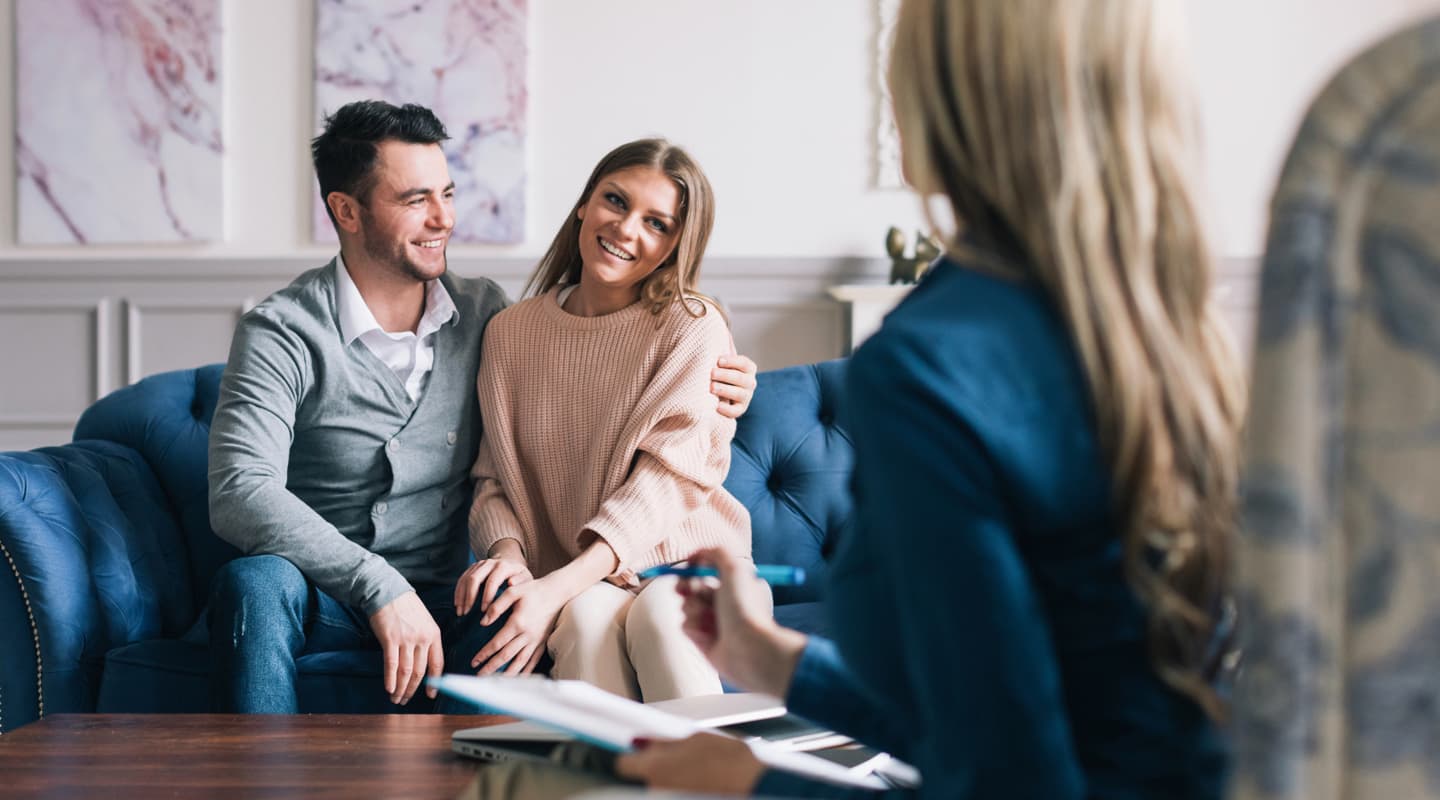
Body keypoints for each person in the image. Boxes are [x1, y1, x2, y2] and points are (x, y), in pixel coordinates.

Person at [615, 0, 1246, 796]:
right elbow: (1019, 708)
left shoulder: (928, 366)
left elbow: (1009, 781)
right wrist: (774, 663)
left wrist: (755, 785)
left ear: (945, 92)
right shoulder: (1163, 321)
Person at [205, 102, 758, 713]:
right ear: (347, 211)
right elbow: (240, 490)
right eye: (416, 200)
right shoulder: (285, 330)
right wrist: (387, 584)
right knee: (253, 581)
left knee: (566, 615)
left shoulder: (481, 316)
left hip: (463, 599)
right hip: (327, 593)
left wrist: (727, 387)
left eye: (447, 193)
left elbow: (629, 417)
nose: (445, 219)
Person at [454, 139, 753, 702]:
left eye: (657, 223)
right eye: (615, 201)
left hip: (693, 567)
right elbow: (494, 477)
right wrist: (510, 558)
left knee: (665, 616)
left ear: (673, 247)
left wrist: (552, 590)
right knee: (585, 622)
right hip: (589, 582)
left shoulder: (692, 325)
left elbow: (667, 485)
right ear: (583, 206)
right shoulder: (510, 332)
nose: (625, 229)